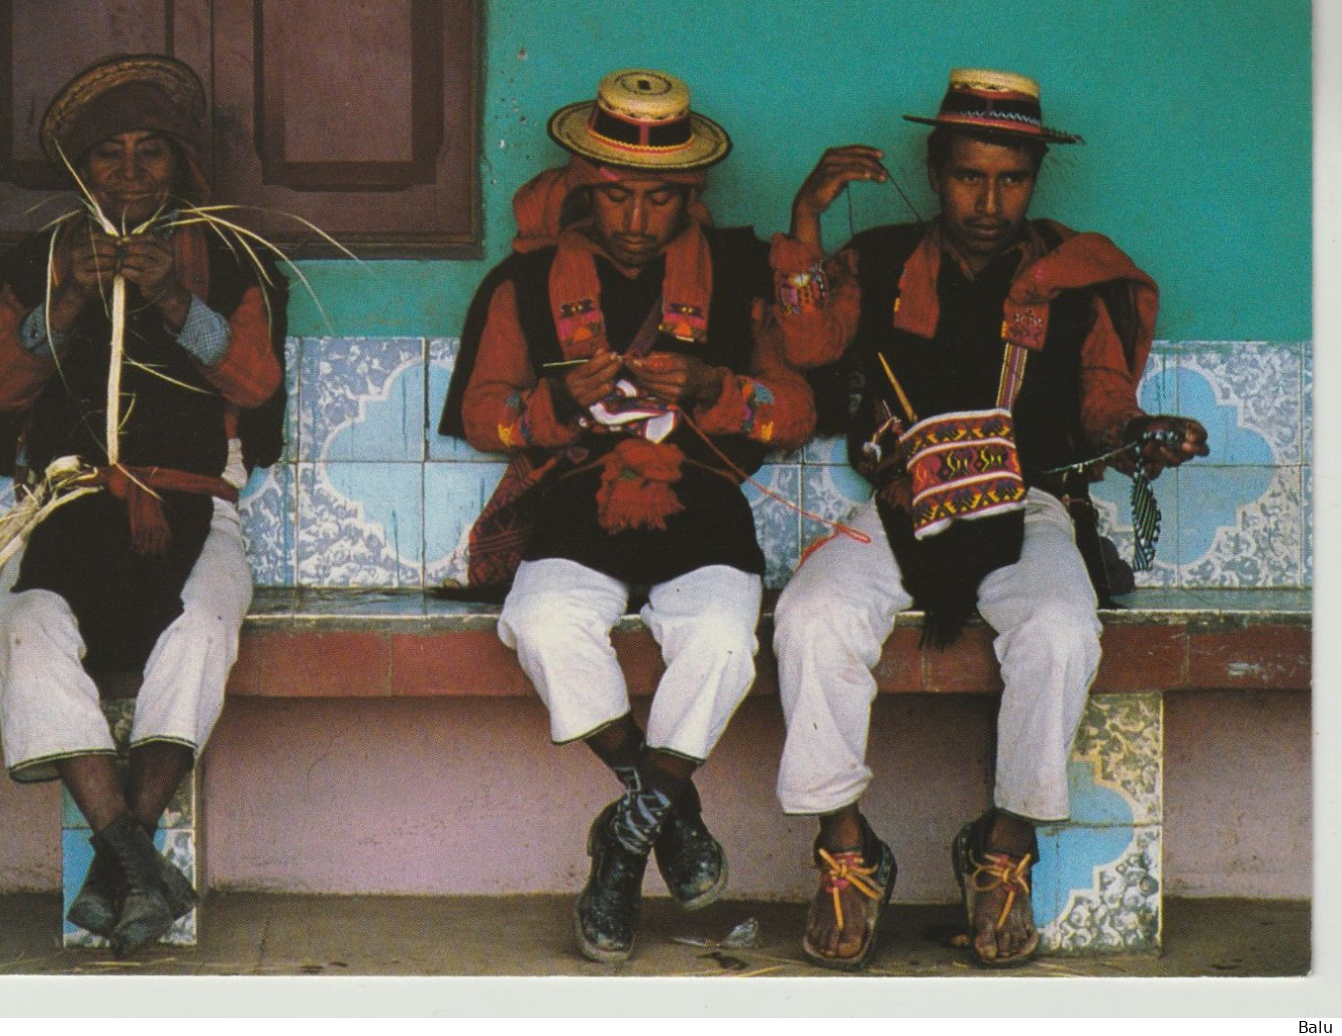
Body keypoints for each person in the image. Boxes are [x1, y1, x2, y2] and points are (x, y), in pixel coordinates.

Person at [770, 69, 1208, 969]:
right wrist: (806, 216)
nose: (988, 198)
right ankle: (847, 851)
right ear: (934, 172)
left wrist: (1137, 433)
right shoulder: (884, 261)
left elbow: (1100, 400)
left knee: (1057, 627)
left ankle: (1001, 849)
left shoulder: (1069, 278)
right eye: (969, 175)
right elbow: (807, 345)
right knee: (809, 617)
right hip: (902, 500)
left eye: (1009, 179)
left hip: (1027, 503)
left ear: (1033, 179)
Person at [438, 69, 815, 963]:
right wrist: (556, 402)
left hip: (704, 508)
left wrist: (720, 387)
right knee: (537, 619)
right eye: (616, 197)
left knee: (724, 641)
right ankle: (668, 813)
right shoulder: (525, 284)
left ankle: (620, 847)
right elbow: (480, 412)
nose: (636, 220)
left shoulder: (739, 273)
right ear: (583, 187)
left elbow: (793, 407)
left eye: (658, 198)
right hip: (577, 507)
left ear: (690, 193)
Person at [0, 55, 287, 957]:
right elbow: (1, 392)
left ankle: (121, 860)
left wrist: (173, 295)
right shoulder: (37, 262)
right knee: (23, 625)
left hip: (194, 507)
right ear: (81, 169)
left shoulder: (224, 256)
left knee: (205, 625)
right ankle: (136, 861)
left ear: (180, 165)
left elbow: (256, 383)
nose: (131, 171)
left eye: (152, 153)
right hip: (69, 505)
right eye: (109, 154)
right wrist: (66, 298)